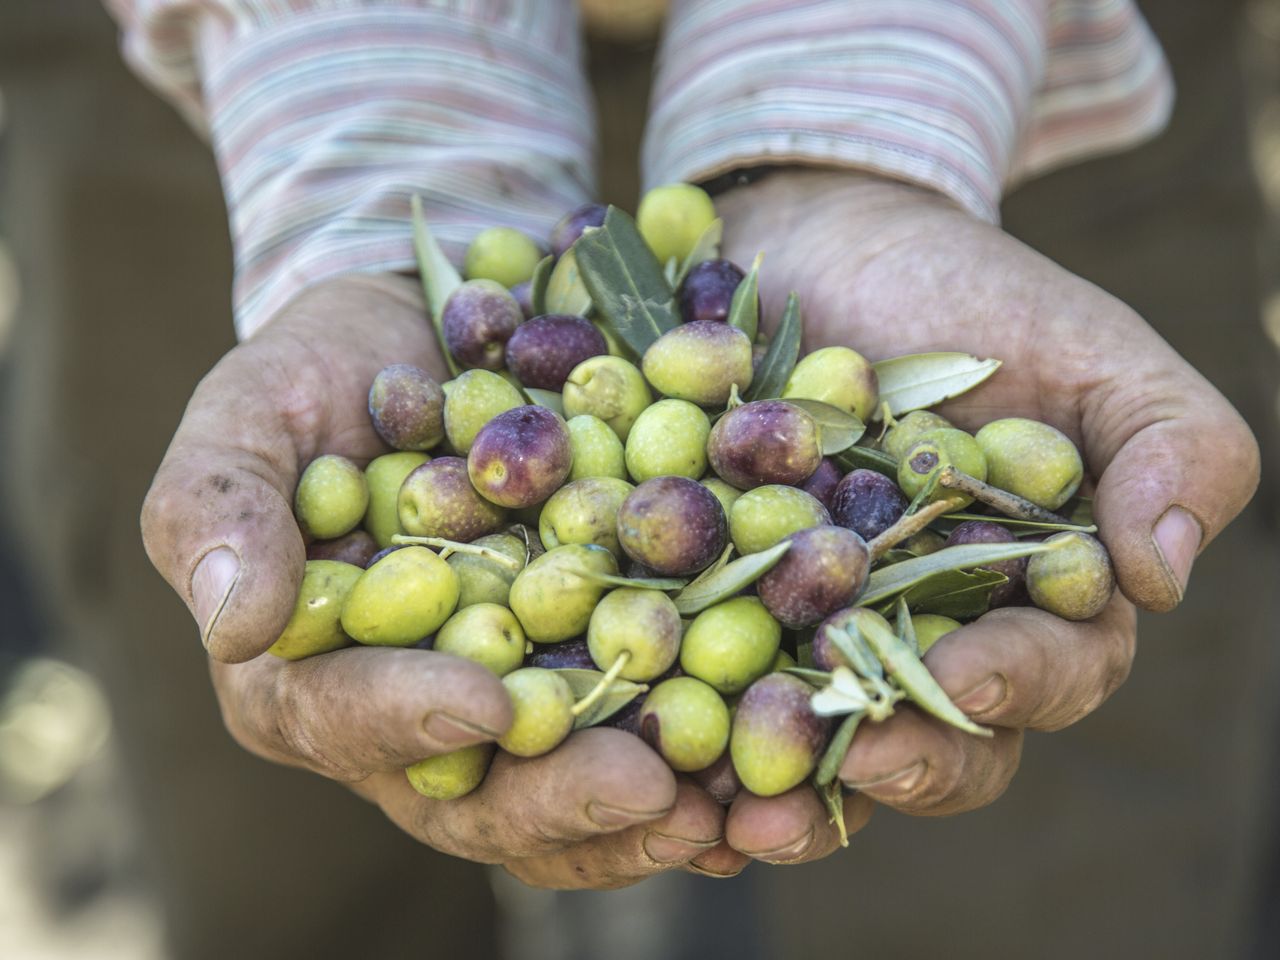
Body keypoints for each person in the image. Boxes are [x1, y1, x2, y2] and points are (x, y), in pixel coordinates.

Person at [2, 0, 1273, 956]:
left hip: (1007, 69)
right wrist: (383, 153)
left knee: (1057, 888)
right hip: (241, 79)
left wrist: (852, 117)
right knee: (286, 868)